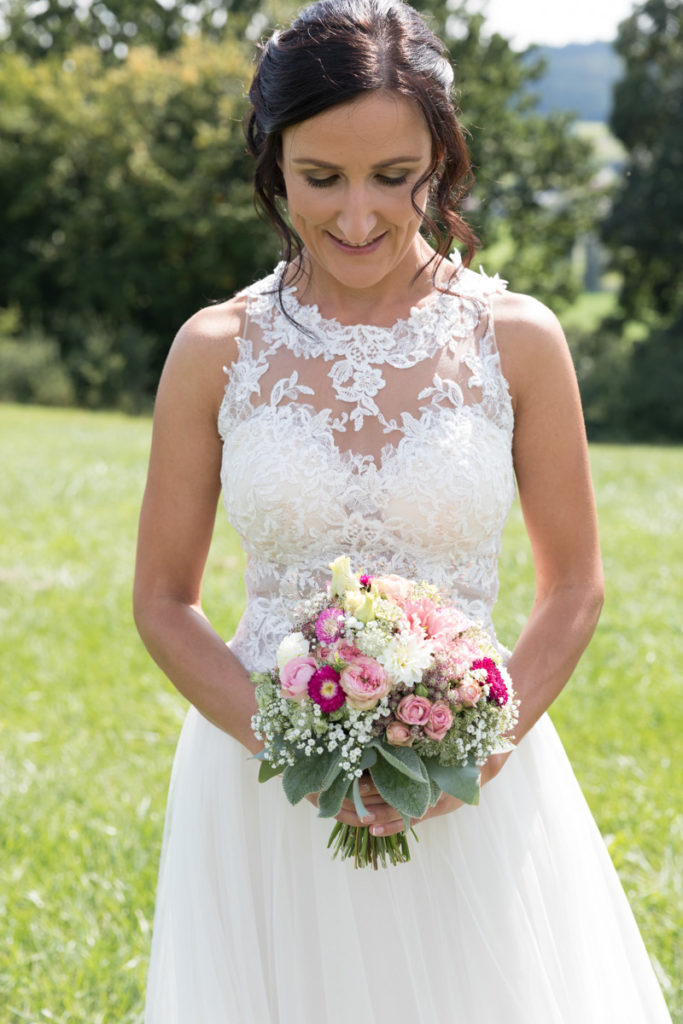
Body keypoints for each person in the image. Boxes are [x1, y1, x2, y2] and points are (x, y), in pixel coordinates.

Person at [133, 1, 673, 1020]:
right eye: (318, 177)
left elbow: (574, 586)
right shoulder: (214, 350)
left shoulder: (516, 338)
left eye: (394, 177)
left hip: (468, 778)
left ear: (442, 159)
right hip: (263, 785)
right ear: (271, 161)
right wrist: (296, 745)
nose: (355, 215)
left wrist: (467, 755)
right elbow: (162, 599)